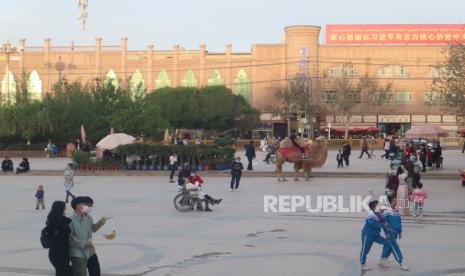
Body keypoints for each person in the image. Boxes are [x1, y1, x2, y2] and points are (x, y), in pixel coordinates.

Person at [359, 200, 390, 271]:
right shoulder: (371, 215)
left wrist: (387, 233)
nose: (379, 206)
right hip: (368, 234)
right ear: (373, 207)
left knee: (387, 243)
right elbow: (373, 224)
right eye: (378, 205)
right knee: (365, 250)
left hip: (376, 235)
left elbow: (384, 224)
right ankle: (363, 264)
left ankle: (382, 260)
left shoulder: (379, 214)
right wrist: (383, 224)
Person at [81, 196, 108, 276]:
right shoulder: (74, 218)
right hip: (79, 252)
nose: (90, 207)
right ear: (82, 204)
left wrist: (102, 221)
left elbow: (93, 229)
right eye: (88, 205)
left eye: (91, 206)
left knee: (95, 272)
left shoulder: (89, 218)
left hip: (90, 251)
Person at [45, 201, 72, 276]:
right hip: (58, 254)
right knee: (64, 272)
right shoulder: (57, 222)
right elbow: (62, 234)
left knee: (62, 272)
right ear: (60, 209)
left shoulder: (53, 220)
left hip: (61, 253)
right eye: (64, 208)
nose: (65, 209)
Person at [381, 199, 409, 271]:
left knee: (388, 246)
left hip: (396, 232)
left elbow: (399, 222)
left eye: (396, 201)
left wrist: (400, 232)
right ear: (390, 202)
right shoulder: (386, 211)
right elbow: (384, 224)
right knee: (395, 246)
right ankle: (401, 263)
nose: (395, 202)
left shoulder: (397, 211)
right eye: (393, 201)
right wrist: (387, 233)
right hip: (390, 232)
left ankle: (382, 260)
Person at [69, 197, 94, 276]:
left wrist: (89, 241)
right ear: (76, 206)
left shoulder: (86, 219)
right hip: (76, 253)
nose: (85, 206)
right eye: (82, 204)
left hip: (87, 252)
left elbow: (90, 233)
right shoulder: (70, 220)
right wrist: (83, 244)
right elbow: (70, 238)